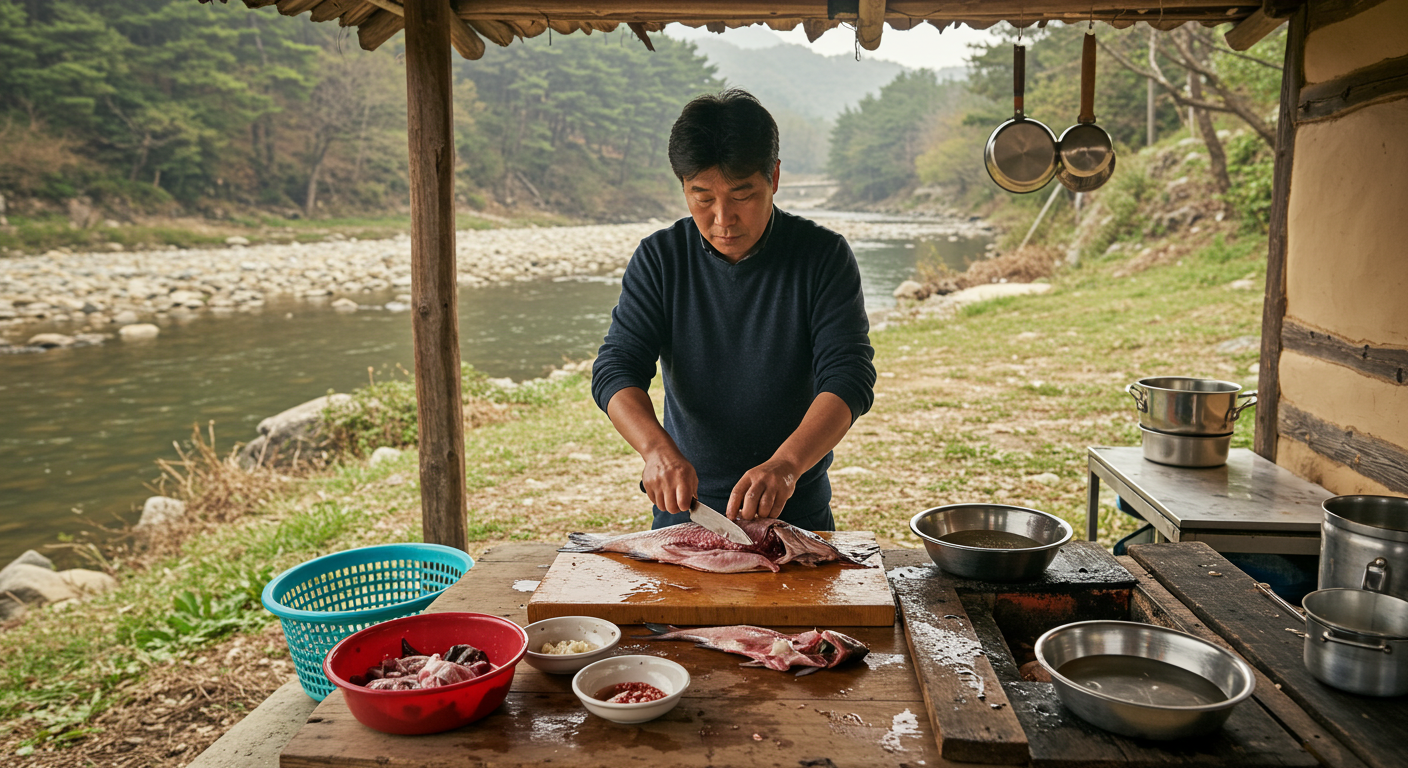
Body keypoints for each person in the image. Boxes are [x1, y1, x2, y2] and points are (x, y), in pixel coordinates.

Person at [590, 89, 875, 532]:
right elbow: (616, 368)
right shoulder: (661, 258)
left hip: (794, 512)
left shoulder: (823, 256)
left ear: (774, 177)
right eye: (702, 197)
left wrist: (786, 465)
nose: (723, 219)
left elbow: (849, 377)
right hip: (685, 512)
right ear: (683, 186)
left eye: (742, 195)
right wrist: (656, 451)